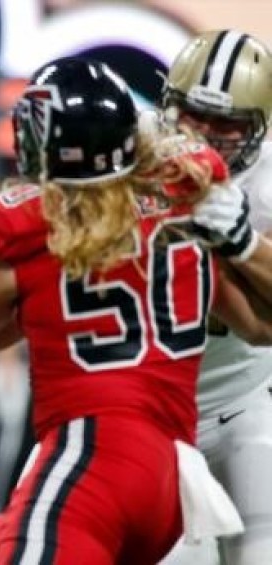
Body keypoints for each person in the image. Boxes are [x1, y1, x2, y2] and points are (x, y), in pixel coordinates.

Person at [0, 57, 272, 565]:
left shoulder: (26, 230)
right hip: (170, 470)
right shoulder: (188, 212)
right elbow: (260, 326)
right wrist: (241, 241)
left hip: (94, 452)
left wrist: (28, 288)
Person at [156, 29, 272, 565]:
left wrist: (244, 240)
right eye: (191, 115)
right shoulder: (127, 160)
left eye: (225, 124)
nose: (202, 135)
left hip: (242, 402)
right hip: (143, 410)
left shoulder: (267, 184)